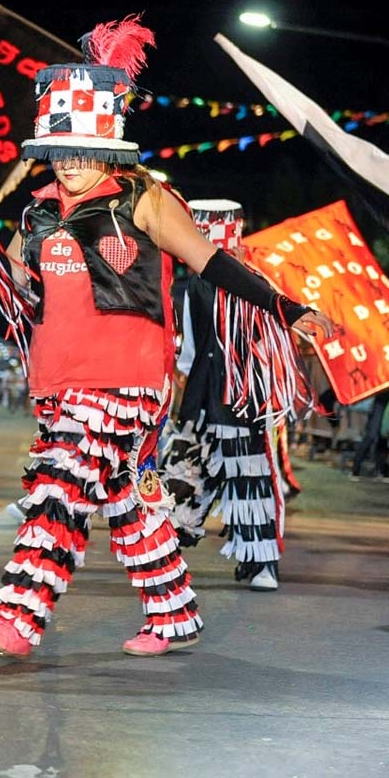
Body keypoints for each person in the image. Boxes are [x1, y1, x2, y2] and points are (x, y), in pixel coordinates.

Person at [0, 16, 333, 660]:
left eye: (83, 148)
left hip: (125, 378)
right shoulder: (39, 210)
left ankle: (18, 619)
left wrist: (283, 305)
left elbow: (210, 261)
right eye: (61, 149)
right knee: (124, 501)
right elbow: (19, 293)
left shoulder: (145, 198)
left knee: (61, 484)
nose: (71, 161)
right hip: (60, 377)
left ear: (107, 143)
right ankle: (173, 615)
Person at [160, 200, 317, 592]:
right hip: (237, 397)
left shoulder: (206, 283)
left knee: (222, 473)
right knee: (238, 476)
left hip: (224, 397)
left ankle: (178, 553)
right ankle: (254, 563)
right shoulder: (255, 281)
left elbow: (191, 352)